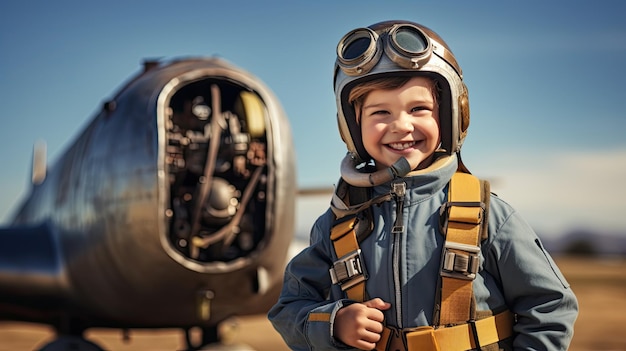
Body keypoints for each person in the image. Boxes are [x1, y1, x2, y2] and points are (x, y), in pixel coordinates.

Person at [268, 20, 578, 351]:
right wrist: (334, 324)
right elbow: (289, 308)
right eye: (380, 112)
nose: (401, 125)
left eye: (419, 109)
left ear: (450, 115)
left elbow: (550, 308)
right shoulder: (338, 224)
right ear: (352, 126)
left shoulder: (489, 217)